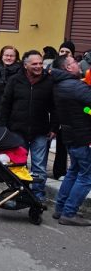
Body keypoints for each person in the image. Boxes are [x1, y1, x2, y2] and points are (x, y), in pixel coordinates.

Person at [0, 50, 57, 203]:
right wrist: (3, 128)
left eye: (40, 63)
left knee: (39, 167)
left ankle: (38, 196)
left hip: (41, 131)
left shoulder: (49, 81)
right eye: (35, 64)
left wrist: (54, 128)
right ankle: (20, 193)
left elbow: (55, 107)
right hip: (17, 130)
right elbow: (5, 104)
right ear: (26, 65)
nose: (39, 66)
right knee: (18, 165)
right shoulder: (15, 80)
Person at [50, 55, 91, 226]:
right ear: (68, 67)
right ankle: (69, 212)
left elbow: (85, 108)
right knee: (86, 176)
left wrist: (87, 109)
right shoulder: (76, 86)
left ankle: (60, 208)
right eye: (74, 62)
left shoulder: (61, 84)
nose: (78, 64)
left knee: (73, 171)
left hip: (71, 135)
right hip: (83, 136)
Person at [53, 41, 76, 180]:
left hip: (71, 115)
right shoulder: (52, 68)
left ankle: (71, 172)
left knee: (71, 147)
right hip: (55, 114)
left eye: (67, 52)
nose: (64, 54)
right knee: (58, 146)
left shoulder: (76, 70)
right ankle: (59, 171)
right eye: (62, 51)